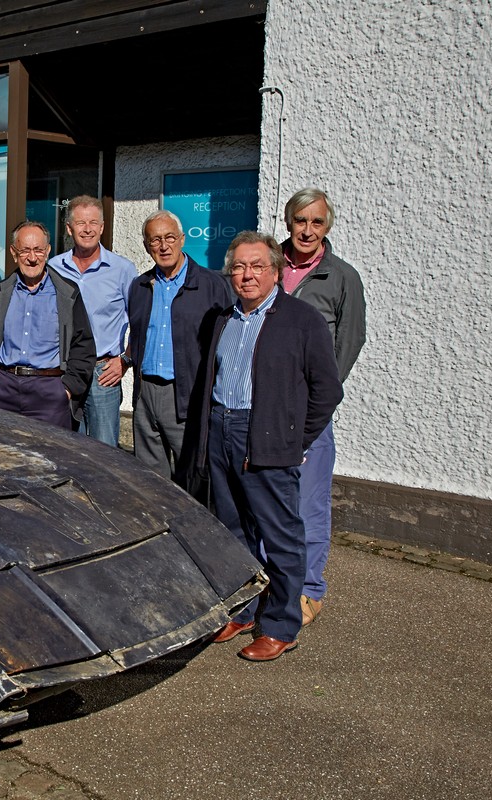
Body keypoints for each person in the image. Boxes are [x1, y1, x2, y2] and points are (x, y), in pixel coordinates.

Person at [197, 231, 342, 661]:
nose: (247, 274)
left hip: (265, 436)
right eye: (239, 267)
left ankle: (281, 624)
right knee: (233, 532)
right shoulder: (224, 319)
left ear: (276, 271)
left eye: (257, 265)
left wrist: (295, 438)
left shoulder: (301, 319)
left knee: (280, 536)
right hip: (222, 430)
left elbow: (327, 390)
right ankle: (242, 611)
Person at [280, 188, 367, 626]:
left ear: (327, 226)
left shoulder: (341, 277)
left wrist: (318, 397)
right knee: (268, 500)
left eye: (316, 222)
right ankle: (272, 582)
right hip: (262, 407)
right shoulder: (268, 265)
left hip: (308, 411)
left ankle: (309, 589)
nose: (307, 230)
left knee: (308, 504)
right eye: (301, 220)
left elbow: (348, 343)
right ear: (288, 222)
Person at [127, 210, 232, 486]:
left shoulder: (212, 285)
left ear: (182, 239)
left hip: (186, 395)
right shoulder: (139, 286)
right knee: (150, 480)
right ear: (146, 246)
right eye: (155, 240)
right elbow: (136, 336)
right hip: (145, 392)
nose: (163, 246)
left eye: (170, 237)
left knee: (192, 478)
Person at [0, 221, 96, 429]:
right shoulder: (1, 293)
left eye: (38, 250)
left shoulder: (67, 294)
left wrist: (66, 389)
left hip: (49, 393)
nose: (32, 258)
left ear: (47, 251)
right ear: (14, 253)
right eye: (25, 250)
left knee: (49, 450)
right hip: (3, 390)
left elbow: (83, 345)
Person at [47, 196, 136, 447]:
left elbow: (140, 322)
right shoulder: (53, 268)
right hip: (63, 371)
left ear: (102, 227)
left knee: (104, 450)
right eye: (81, 223)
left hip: (103, 373)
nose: (87, 229)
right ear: (69, 228)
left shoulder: (122, 270)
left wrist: (125, 360)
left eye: (93, 223)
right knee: (64, 445)